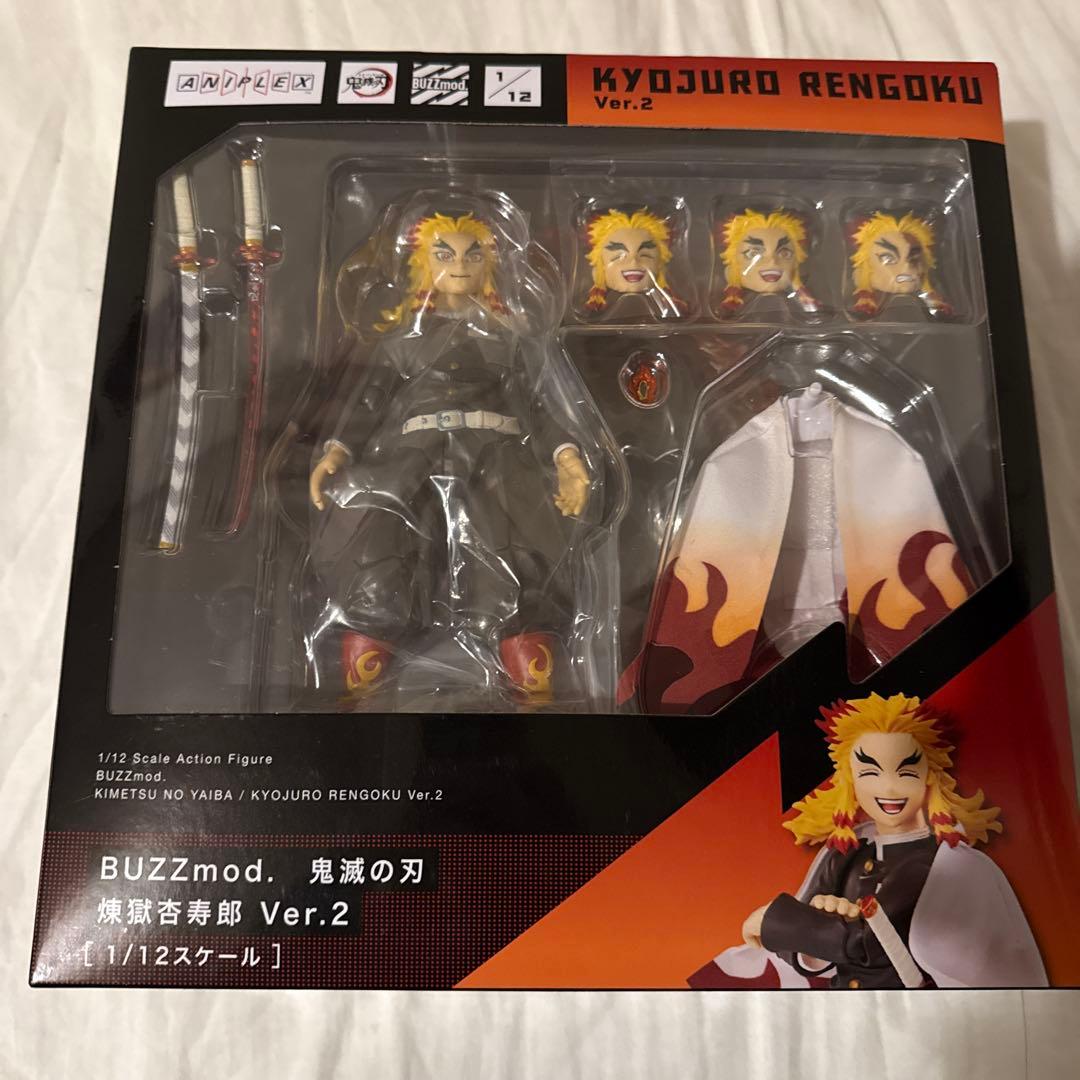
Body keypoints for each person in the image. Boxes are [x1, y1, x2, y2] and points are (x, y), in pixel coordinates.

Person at [308, 210, 591, 704]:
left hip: (496, 455)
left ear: (490, 265)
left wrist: (567, 458)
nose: (459, 264)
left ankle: (531, 675)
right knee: (381, 554)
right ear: (423, 263)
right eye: (445, 254)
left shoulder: (511, 337)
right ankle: (363, 678)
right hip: (413, 459)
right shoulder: (400, 339)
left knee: (517, 559)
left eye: (472, 254)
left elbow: (541, 405)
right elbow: (369, 399)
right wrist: (337, 450)